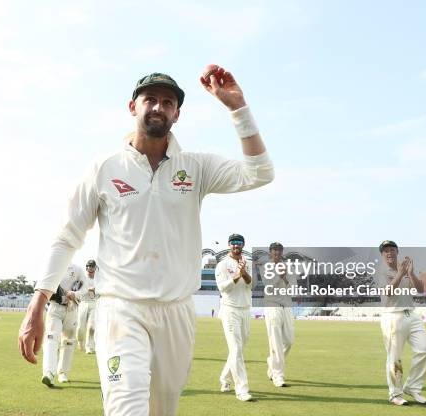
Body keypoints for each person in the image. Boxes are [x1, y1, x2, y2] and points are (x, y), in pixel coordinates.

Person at [18, 65, 274, 415]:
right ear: (132, 107)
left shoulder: (195, 166)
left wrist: (237, 108)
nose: (158, 107)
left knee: (161, 409)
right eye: (149, 99)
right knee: (126, 407)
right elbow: (67, 237)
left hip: (176, 311)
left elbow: (260, 173)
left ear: (177, 114)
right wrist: (38, 303)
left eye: (167, 102)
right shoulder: (104, 168)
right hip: (121, 308)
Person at [378, 240, 426, 406]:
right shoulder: (380, 271)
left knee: (425, 350)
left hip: (412, 314)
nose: (389, 253)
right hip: (393, 316)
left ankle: (413, 387)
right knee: (395, 358)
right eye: (385, 250)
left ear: (397, 251)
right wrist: (400, 274)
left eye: (391, 249)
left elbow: (420, 289)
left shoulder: (406, 269)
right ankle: (395, 394)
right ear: (382, 254)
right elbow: (388, 292)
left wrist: (411, 273)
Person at [216, 233, 255, 402]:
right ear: (229, 245)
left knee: (238, 349)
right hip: (230, 310)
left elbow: (252, 284)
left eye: (238, 242)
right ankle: (242, 389)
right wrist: (237, 275)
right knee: (236, 349)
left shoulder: (249, 263)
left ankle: (225, 378)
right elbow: (222, 288)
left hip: (245, 309)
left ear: (243, 245)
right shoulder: (223, 264)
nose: (235, 245)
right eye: (233, 243)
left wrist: (244, 272)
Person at [41, 263, 88, 387]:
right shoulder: (52, 266)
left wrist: (74, 294)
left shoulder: (77, 270)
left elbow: (85, 287)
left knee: (68, 341)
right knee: (51, 338)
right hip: (55, 308)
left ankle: (63, 372)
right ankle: (49, 373)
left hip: (72, 309)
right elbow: (44, 286)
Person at [263, 242, 295, 387]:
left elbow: (293, 287)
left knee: (289, 341)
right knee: (275, 341)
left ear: (282, 252)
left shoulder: (289, 267)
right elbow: (268, 286)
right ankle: (278, 376)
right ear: (270, 252)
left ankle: (272, 362)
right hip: (272, 306)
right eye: (274, 251)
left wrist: (286, 277)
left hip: (286, 306)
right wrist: (279, 276)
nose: (276, 253)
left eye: (279, 251)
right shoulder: (266, 267)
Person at [76, 259, 97, 354]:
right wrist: (87, 289)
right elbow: (77, 290)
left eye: (93, 266)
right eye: (89, 266)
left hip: (94, 303)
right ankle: (80, 342)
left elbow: (102, 291)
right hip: (83, 302)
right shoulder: (82, 278)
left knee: (92, 327)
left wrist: (95, 290)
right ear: (87, 267)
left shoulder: (99, 279)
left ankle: (90, 347)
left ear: (95, 268)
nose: (91, 268)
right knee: (80, 327)